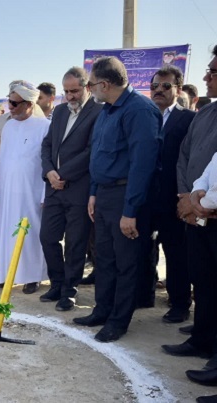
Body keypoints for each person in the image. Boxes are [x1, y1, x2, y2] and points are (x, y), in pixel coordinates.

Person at [73, 56, 162, 343]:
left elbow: (142, 165)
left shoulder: (140, 110)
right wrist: (93, 192)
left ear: (104, 84)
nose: (89, 89)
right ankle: (102, 310)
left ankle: (118, 321)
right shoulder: (107, 111)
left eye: (90, 84)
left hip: (127, 196)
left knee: (126, 262)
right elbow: (99, 156)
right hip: (104, 195)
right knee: (105, 259)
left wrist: (130, 210)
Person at [162, 46, 217, 364]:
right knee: (203, 279)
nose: (207, 77)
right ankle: (201, 339)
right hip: (194, 210)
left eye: (213, 72)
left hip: (210, 212)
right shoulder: (206, 114)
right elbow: (185, 156)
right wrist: (187, 197)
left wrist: (200, 203)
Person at [39, 67, 103, 311]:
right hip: (54, 188)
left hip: (78, 189)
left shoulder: (98, 111)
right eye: (66, 91)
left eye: (74, 91)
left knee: (76, 243)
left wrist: (63, 174)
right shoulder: (59, 111)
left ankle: (69, 290)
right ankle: (56, 283)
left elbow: (91, 151)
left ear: (87, 87)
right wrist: (49, 172)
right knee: (47, 237)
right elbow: (47, 145)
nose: (70, 96)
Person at [145, 65, 195, 323]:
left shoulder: (188, 119)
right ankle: (145, 295)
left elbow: (191, 160)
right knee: (144, 249)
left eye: (166, 86)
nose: (159, 90)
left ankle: (179, 303)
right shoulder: (144, 116)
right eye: (155, 86)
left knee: (175, 254)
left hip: (174, 199)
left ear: (178, 89)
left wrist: (185, 196)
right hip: (145, 197)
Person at [0, 81, 49, 293]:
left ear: (29, 104)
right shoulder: (8, 126)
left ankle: (32, 277)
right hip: (7, 192)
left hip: (31, 192)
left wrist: (45, 194)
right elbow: (2, 160)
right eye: (9, 102)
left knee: (29, 233)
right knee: (6, 231)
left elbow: (47, 163)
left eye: (15, 103)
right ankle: (5, 274)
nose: (10, 107)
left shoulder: (44, 126)